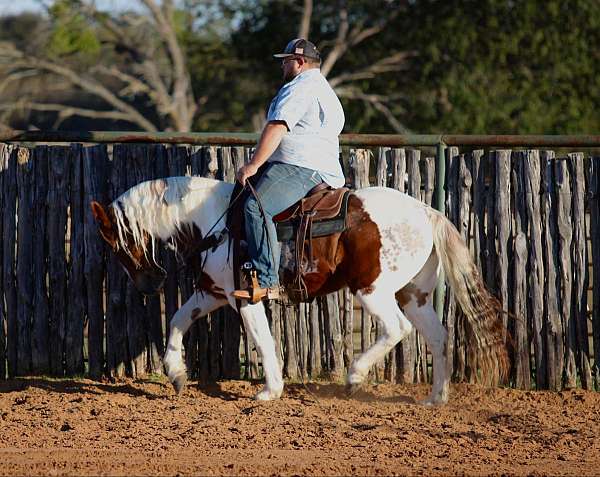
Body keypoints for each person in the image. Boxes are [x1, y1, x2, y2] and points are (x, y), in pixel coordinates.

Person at [231, 38, 346, 303]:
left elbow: (277, 126)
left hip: (300, 166)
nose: (282, 65)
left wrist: (253, 164)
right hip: (320, 166)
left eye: (286, 61)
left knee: (255, 207)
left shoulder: (300, 87)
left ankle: (268, 281)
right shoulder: (324, 88)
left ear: (301, 62)